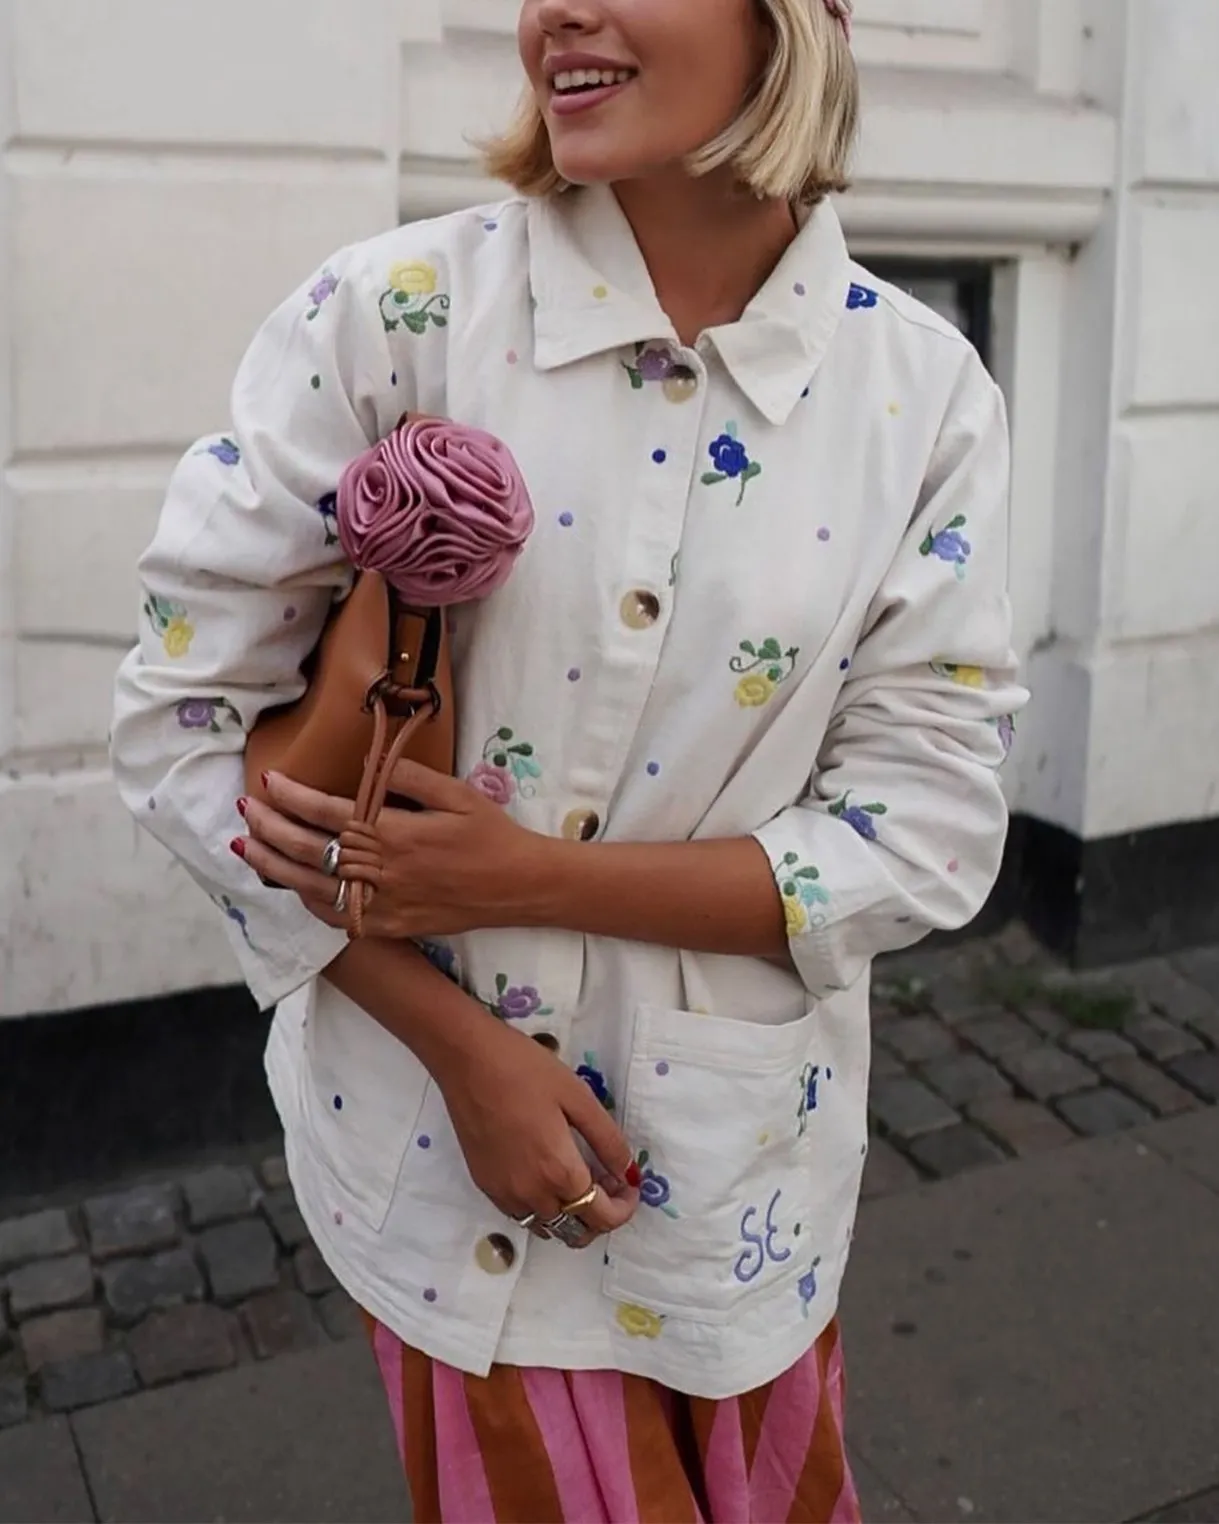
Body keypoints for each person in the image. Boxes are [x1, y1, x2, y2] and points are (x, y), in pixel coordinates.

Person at [111, 0, 1027, 1517]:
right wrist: (457, 1047)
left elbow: (921, 829)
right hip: (418, 1173)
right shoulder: (390, 313)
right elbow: (180, 739)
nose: (556, 13)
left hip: (735, 1197)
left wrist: (537, 879)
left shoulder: (919, 398)